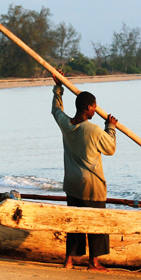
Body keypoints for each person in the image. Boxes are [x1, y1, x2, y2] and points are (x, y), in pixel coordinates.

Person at [51, 74, 117, 270]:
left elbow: (56, 110)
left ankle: (69, 260)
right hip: (91, 184)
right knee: (96, 222)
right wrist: (111, 127)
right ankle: (93, 262)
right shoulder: (94, 130)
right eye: (94, 107)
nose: (96, 110)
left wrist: (58, 90)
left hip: (72, 183)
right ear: (88, 108)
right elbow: (110, 149)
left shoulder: (66, 125)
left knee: (75, 222)